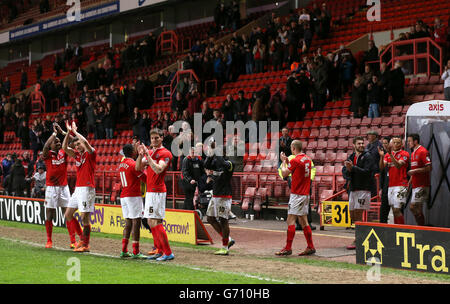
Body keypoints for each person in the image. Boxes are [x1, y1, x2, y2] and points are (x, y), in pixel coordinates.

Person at [135, 128, 174, 261]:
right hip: (150, 191)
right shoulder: (151, 152)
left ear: (162, 138)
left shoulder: (165, 153)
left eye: (157, 138)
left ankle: (168, 252)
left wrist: (148, 156)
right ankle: (159, 250)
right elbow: (137, 167)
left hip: (158, 191)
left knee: (155, 221)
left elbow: (158, 169)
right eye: (152, 138)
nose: (154, 140)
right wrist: (141, 155)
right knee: (151, 221)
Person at [276, 140, 315, 256]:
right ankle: (310, 246)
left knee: (290, 220)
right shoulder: (307, 159)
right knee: (304, 221)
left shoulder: (296, 160)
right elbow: (297, 168)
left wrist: (283, 162)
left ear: (293, 148)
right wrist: (288, 161)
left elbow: (284, 174)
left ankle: (288, 248)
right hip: (305, 194)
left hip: (297, 194)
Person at [63, 121, 97, 252]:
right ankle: (81, 239)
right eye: (76, 144)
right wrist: (68, 133)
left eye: (79, 144)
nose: (77, 146)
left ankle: (85, 244)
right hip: (78, 189)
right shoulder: (77, 155)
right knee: (68, 214)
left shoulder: (90, 153)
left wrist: (75, 132)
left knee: (84, 217)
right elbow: (65, 147)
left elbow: (87, 144)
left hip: (87, 188)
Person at [42, 124, 75, 249]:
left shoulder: (63, 152)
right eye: (56, 142)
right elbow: (45, 146)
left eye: (59, 142)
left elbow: (74, 142)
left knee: (67, 213)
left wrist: (63, 133)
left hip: (64, 187)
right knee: (50, 213)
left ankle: (73, 240)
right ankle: (49, 240)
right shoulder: (47, 154)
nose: (58, 143)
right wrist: (54, 134)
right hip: (51, 187)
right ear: (51, 145)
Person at [342, 136, 376, 250]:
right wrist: (348, 170)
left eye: (362, 143)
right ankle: (363, 237)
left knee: (358, 214)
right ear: (354, 145)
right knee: (352, 215)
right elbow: (345, 171)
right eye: (359, 143)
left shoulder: (368, 156)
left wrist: (353, 168)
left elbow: (367, 172)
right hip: (353, 189)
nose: (361, 145)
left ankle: (358, 240)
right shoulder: (351, 157)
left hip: (363, 189)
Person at [203, 142, 235, 256]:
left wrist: (216, 151)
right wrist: (211, 154)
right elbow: (206, 164)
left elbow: (222, 162)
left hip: (224, 196)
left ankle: (225, 247)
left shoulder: (230, 163)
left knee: (223, 220)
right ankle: (228, 239)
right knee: (210, 218)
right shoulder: (216, 162)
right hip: (215, 195)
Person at [118, 144, 147, 258]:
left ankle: (124, 250)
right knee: (136, 221)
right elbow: (144, 179)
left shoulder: (122, 164)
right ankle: (136, 251)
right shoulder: (132, 164)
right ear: (132, 152)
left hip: (124, 195)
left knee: (128, 221)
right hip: (133, 195)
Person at [378, 136, 409, 225]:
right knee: (393, 209)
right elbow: (381, 167)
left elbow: (399, 165)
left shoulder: (405, 154)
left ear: (402, 144)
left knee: (397, 209)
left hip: (401, 185)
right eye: (394, 142)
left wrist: (391, 155)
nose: (395, 144)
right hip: (391, 185)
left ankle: (402, 229)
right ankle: (397, 229)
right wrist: (381, 157)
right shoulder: (387, 155)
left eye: (398, 142)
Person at [407, 134, 431, 226]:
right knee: (418, 209)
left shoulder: (423, 151)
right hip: (415, 185)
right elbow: (414, 172)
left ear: (415, 141)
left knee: (412, 207)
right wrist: (409, 183)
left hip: (422, 185)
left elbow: (429, 168)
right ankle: (421, 228)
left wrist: (414, 171)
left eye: (409, 141)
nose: (408, 143)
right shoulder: (413, 153)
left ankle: (422, 227)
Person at [181, 146, 204, 211]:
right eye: (192, 152)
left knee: (193, 197)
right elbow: (185, 172)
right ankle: (190, 211)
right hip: (187, 182)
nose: (193, 154)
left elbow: (202, 170)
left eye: (195, 152)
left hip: (196, 182)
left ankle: (185, 211)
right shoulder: (186, 160)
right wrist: (190, 179)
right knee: (189, 197)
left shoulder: (199, 160)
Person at [379, 136, 391, 224]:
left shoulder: (396, 154)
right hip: (385, 186)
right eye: (383, 144)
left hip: (395, 185)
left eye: (386, 143)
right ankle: (382, 227)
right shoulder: (382, 155)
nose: (384, 145)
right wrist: (381, 187)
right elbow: (382, 172)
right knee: (383, 208)